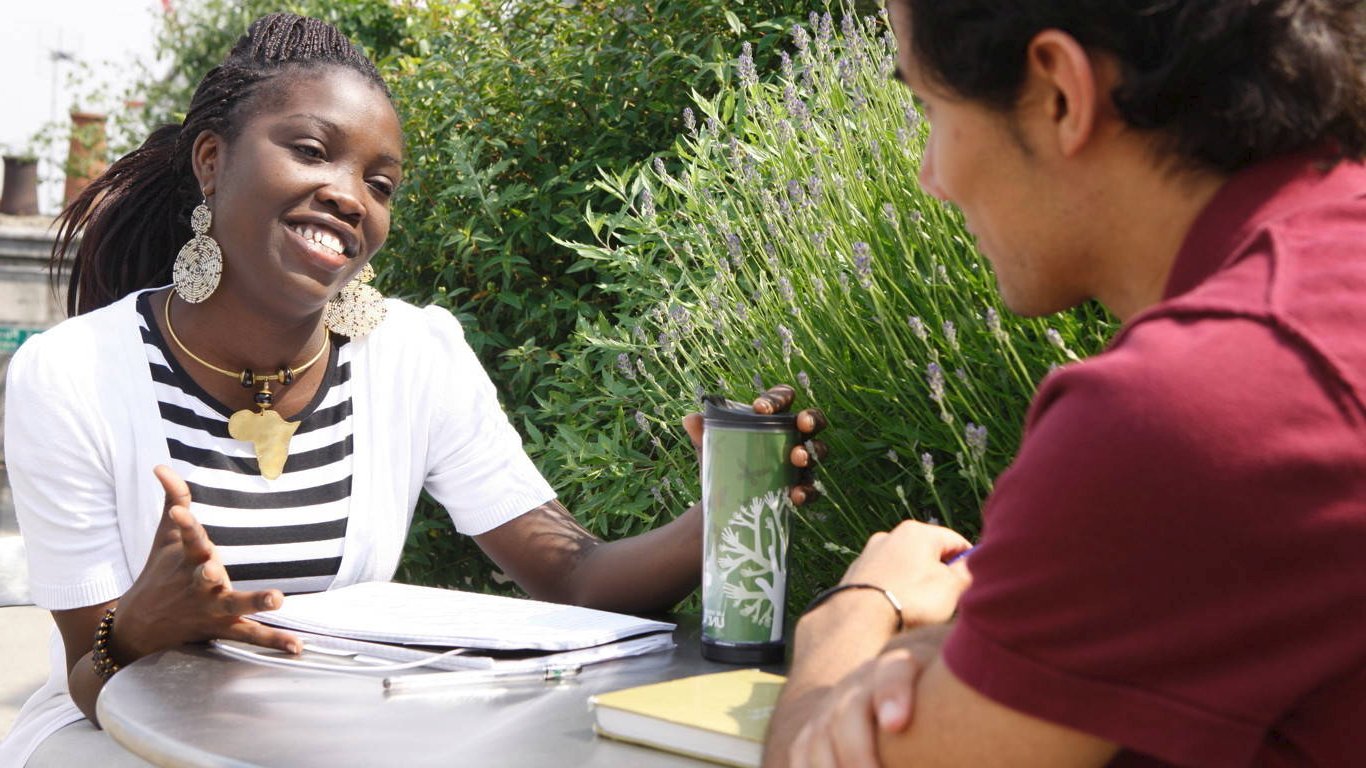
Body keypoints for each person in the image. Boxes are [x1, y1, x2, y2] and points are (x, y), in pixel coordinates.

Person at [0, 13, 825, 767]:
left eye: (381, 183)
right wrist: (142, 623)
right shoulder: (72, 375)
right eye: (314, 151)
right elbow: (87, 673)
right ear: (213, 162)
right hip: (116, 739)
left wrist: (724, 511)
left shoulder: (413, 355)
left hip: (341, 734)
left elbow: (575, 579)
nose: (350, 195)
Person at [766, 1, 1365, 766]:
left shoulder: (1186, 408)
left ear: (1058, 93)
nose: (929, 180)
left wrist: (848, 624)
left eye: (929, 109)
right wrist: (976, 651)